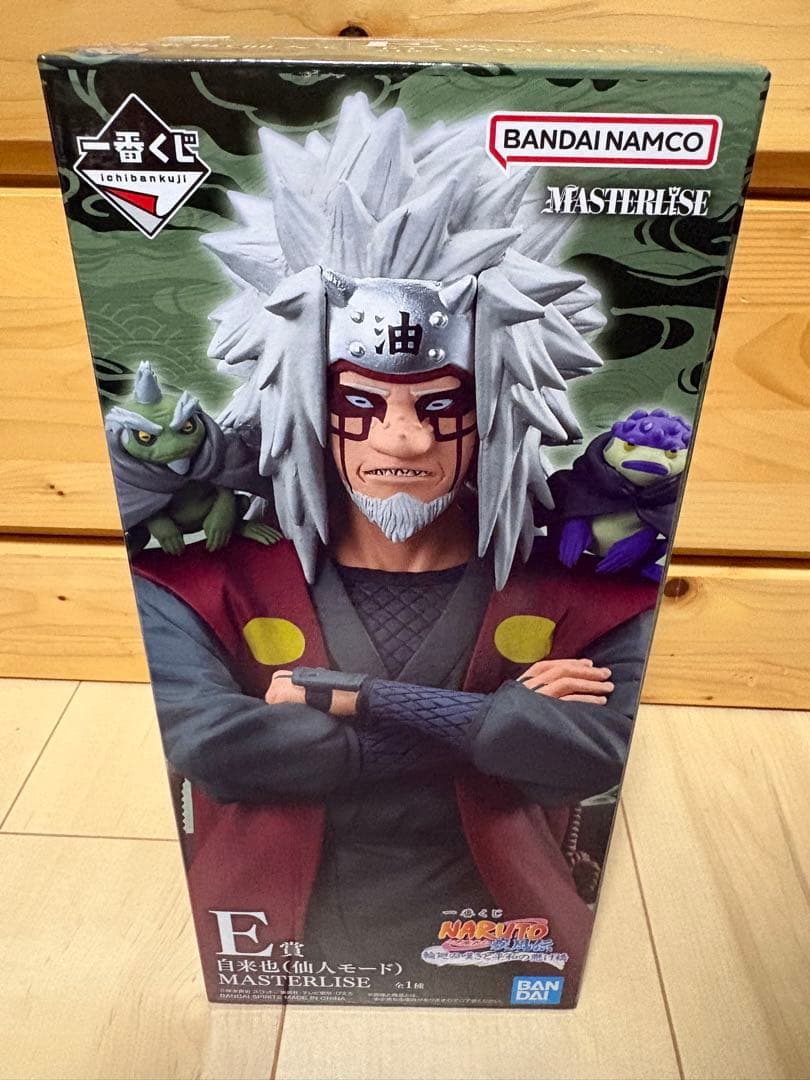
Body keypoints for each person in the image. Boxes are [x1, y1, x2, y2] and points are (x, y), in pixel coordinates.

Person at [130, 94, 658, 1006]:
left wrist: (355, 699)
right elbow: (216, 748)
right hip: (269, 953)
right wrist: (491, 725)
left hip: (512, 954)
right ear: (302, 397)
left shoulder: (590, 588)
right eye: (361, 404)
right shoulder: (198, 581)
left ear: (498, 403)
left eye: (441, 404)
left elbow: (596, 752)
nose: (404, 440)